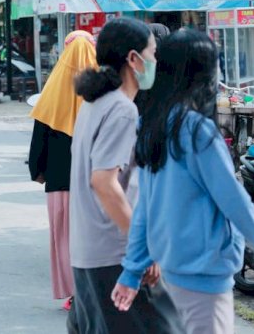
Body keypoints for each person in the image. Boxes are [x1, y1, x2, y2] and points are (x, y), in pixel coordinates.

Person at [112, 29, 254, 334]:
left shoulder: (154, 125)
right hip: (204, 274)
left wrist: (132, 270)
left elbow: (144, 210)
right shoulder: (196, 131)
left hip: (175, 271)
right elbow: (235, 203)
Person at [68, 17, 182, 334]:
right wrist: (141, 250)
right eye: (152, 53)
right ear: (133, 59)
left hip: (89, 250)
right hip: (114, 254)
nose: (155, 61)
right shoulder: (121, 109)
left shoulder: (94, 104)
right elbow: (104, 183)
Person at [28, 30, 97, 311]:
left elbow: (38, 139)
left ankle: (73, 294)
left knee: (64, 239)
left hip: (59, 183)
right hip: (96, 184)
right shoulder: (104, 92)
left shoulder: (52, 91)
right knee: (94, 237)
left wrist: (39, 171)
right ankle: (96, 291)